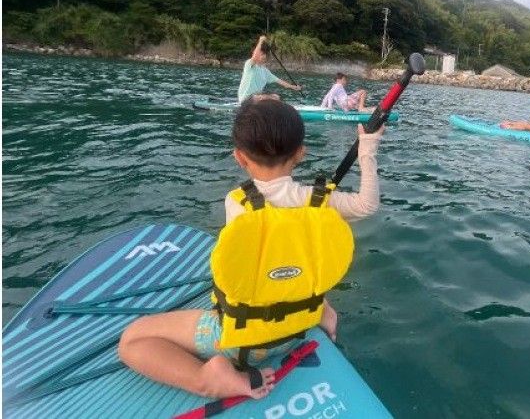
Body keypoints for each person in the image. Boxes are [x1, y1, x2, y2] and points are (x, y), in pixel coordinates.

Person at [118, 98, 384, 400]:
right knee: (297, 262)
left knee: (132, 339)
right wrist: (367, 149)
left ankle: (208, 379)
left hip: (242, 343)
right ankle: (324, 313)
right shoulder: (321, 201)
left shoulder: (238, 202)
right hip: (300, 325)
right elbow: (367, 205)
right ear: (301, 153)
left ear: (240, 158)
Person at [237, 35, 302, 103]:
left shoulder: (266, 72)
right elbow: (255, 57)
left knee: (276, 97)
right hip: (246, 99)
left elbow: (280, 81)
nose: (263, 56)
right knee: (265, 98)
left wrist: (294, 87)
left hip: (256, 98)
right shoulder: (249, 65)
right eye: (261, 54)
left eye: (264, 54)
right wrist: (261, 41)